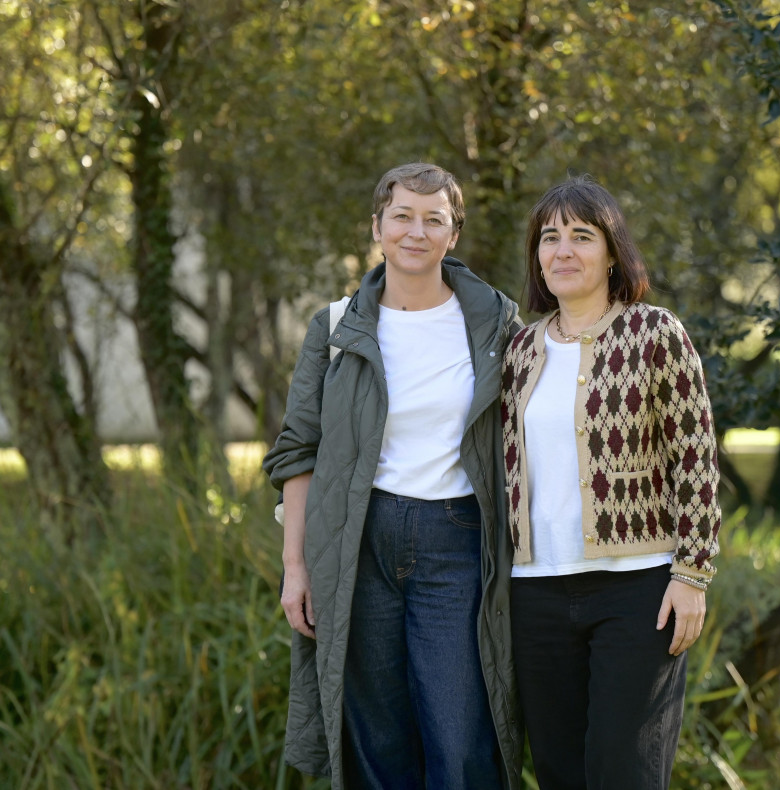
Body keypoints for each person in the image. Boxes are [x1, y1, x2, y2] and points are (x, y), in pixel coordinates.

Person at [262, 163, 524, 789]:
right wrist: (296, 568)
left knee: (460, 740)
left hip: (457, 541)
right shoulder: (334, 327)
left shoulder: (495, 325)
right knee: (375, 741)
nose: (416, 231)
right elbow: (298, 451)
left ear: (453, 234)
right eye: (402, 216)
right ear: (376, 226)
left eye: (434, 219)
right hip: (357, 541)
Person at [500, 176, 721, 789]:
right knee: (559, 772)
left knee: (624, 772)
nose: (562, 251)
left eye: (581, 236)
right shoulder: (520, 350)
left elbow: (695, 460)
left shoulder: (655, 334)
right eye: (549, 237)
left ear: (611, 250)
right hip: (536, 592)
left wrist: (692, 575)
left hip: (637, 595)